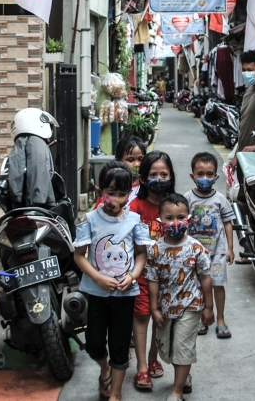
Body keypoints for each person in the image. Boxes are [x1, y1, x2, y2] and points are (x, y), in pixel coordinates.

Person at [73, 161, 150, 401]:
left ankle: (115, 394)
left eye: (122, 193)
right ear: (100, 191)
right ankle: (104, 368)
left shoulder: (135, 221)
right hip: (96, 293)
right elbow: (79, 255)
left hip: (125, 295)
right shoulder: (89, 220)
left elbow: (140, 254)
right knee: (94, 343)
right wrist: (97, 277)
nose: (116, 198)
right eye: (111, 192)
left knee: (119, 346)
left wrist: (132, 276)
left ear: (130, 192)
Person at [146, 193, 214, 401]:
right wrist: (154, 308)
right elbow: (153, 280)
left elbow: (205, 278)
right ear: (160, 220)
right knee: (168, 347)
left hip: (190, 305)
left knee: (183, 347)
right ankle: (183, 375)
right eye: (169, 218)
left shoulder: (196, 248)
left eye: (181, 217)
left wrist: (208, 307)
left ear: (189, 218)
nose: (176, 223)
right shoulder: (155, 249)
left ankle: (176, 391)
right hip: (166, 307)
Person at [129, 151, 176, 390]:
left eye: (164, 174)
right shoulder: (136, 206)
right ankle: (141, 368)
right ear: (144, 179)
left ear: (171, 176)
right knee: (141, 318)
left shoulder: (174, 206)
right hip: (142, 276)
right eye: (153, 174)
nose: (159, 178)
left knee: (161, 319)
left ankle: (153, 357)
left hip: (167, 277)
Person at [184, 152, 235, 339]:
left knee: (218, 285)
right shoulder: (187, 199)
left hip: (217, 252)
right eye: (200, 174)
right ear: (192, 176)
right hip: (195, 254)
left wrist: (230, 248)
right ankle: (202, 318)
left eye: (209, 174)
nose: (205, 178)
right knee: (198, 286)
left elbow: (228, 223)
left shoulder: (220, 199)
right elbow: (182, 223)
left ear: (215, 176)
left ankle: (220, 319)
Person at [8, 108, 58, 209]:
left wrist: (16, 198)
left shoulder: (20, 143)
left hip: (20, 206)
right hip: (38, 204)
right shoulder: (38, 144)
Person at [114, 136, 146, 202]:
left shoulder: (148, 187)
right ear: (118, 161)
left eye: (141, 159)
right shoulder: (112, 187)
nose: (137, 164)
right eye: (131, 160)